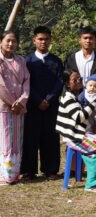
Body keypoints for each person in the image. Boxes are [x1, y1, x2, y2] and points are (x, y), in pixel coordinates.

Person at [56, 69, 96, 192]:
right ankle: (93, 183)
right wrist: (95, 102)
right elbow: (80, 117)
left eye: (80, 79)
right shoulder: (67, 98)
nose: (79, 81)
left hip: (83, 134)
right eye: (75, 80)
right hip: (75, 138)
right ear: (67, 83)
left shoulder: (78, 96)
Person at [22, 26, 64, 179]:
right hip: (32, 105)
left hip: (51, 106)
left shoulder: (56, 61)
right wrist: (38, 100)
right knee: (30, 137)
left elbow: (60, 82)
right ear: (34, 40)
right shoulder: (27, 61)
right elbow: (25, 83)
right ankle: (29, 170)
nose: (43, 42)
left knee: (51, 137)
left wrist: (49, 99)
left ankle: (50, 169)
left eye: (46, 39)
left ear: (50, 40)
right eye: (40, 39)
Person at [0, 30, 29, 185]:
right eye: (8, 40)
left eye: (14, 41)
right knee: (5, 140)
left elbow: (26, 81)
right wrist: (12, 103)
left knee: (17, 140)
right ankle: (4, 175)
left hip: (19, 108)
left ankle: (14, 174)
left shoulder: (21, 60)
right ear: (1, 42)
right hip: (4, 107)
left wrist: (21, 101)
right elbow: (1, 85)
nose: (11, 44)